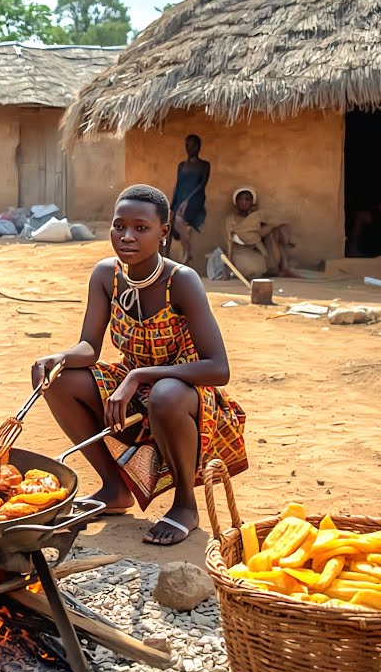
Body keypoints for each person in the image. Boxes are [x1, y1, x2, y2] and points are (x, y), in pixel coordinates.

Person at [33, 185, 248, 546]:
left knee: (163, 394)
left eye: (140, 228)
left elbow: (217, 367)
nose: (126, 236)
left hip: (185, 391)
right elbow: (90, 347)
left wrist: (138, 375)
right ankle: (115, 489)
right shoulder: (107, 275)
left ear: (164, 231)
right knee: (58, 381)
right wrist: (59, 358)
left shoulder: (181, 281)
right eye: (119, 226)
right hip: (132, 385)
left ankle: (185, 506)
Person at [224, 187, 297, 278]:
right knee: (252, 270)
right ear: (236, 202)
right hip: (241, 250)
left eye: (247, 199)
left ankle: (284, 267)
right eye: (241, 199)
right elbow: (231, 239)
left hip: (257, 250)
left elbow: (259, 234)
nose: (244, 202)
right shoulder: (231, 219)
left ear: (252, 202)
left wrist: (272, 227)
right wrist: (228, 264)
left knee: (276, 229)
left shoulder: (257, 218)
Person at [165, 134, 209, 266]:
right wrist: (172, 204)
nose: (189, 148)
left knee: (178, 220)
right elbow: (177, 185)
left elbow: (202, 184)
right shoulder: (181, 165)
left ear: (199, 147)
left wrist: (187, 201)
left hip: (195, 200)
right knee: (168, 220)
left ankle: (187, 253)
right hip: (180, 200)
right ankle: (165, 257)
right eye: (187, 145)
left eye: (193, 145)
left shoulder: (204, 165)